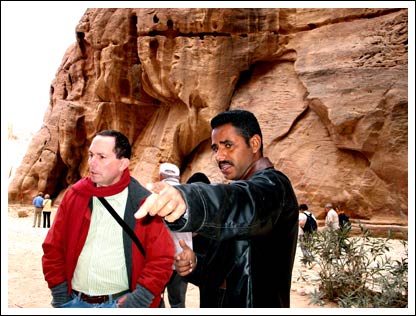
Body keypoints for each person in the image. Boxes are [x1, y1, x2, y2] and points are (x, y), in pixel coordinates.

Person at [135, 109, 299, 308]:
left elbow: (242, 201)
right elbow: (221, 271)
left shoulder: (274, 187)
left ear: (254, 144)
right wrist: (195, 264)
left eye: (228, 145)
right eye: (215, 148)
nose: (219, 156)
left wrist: (188, 199)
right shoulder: (237, 194)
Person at [42, 130, 175, 308]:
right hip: (73, 302)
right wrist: (59, 294)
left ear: (123, 164)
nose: (91, 163)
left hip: (119, 304)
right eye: (91, 155)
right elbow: (53, 247)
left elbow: (162, 258)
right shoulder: (75, 195)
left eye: (101, 157)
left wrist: (139, 299)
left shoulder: (142, 203)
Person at [158, 162, 192, 308]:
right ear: (178, 177)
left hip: (160, 260)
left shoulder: (156, 194)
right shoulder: (189, 195)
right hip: (183, 259)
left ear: (160, 176)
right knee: (178, 303)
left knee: (156, 301)